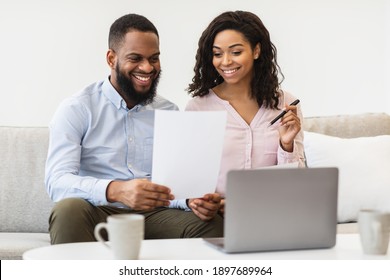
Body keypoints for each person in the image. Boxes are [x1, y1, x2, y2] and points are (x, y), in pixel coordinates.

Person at [45, 13, 223, 244]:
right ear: (111, 59)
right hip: (99, 212)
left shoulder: (168, 110)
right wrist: (116, 190)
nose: (147, 68)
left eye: (154, 58)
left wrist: (190, 201)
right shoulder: (77, 108)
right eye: (136, 58)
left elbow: (173, 184)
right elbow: (57, 182)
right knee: (68, 210)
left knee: (213, 225)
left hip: (154, 215)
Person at [186, 11, 306, 214]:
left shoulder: (284, 103)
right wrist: (198, 202)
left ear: (256, 51)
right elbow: (187, 179)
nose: (225, 62)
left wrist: (286, 145)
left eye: (235, 52)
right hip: (217, 218)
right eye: (217, 54)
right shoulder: (198, 108)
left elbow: (297, 182)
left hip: (272, 211)